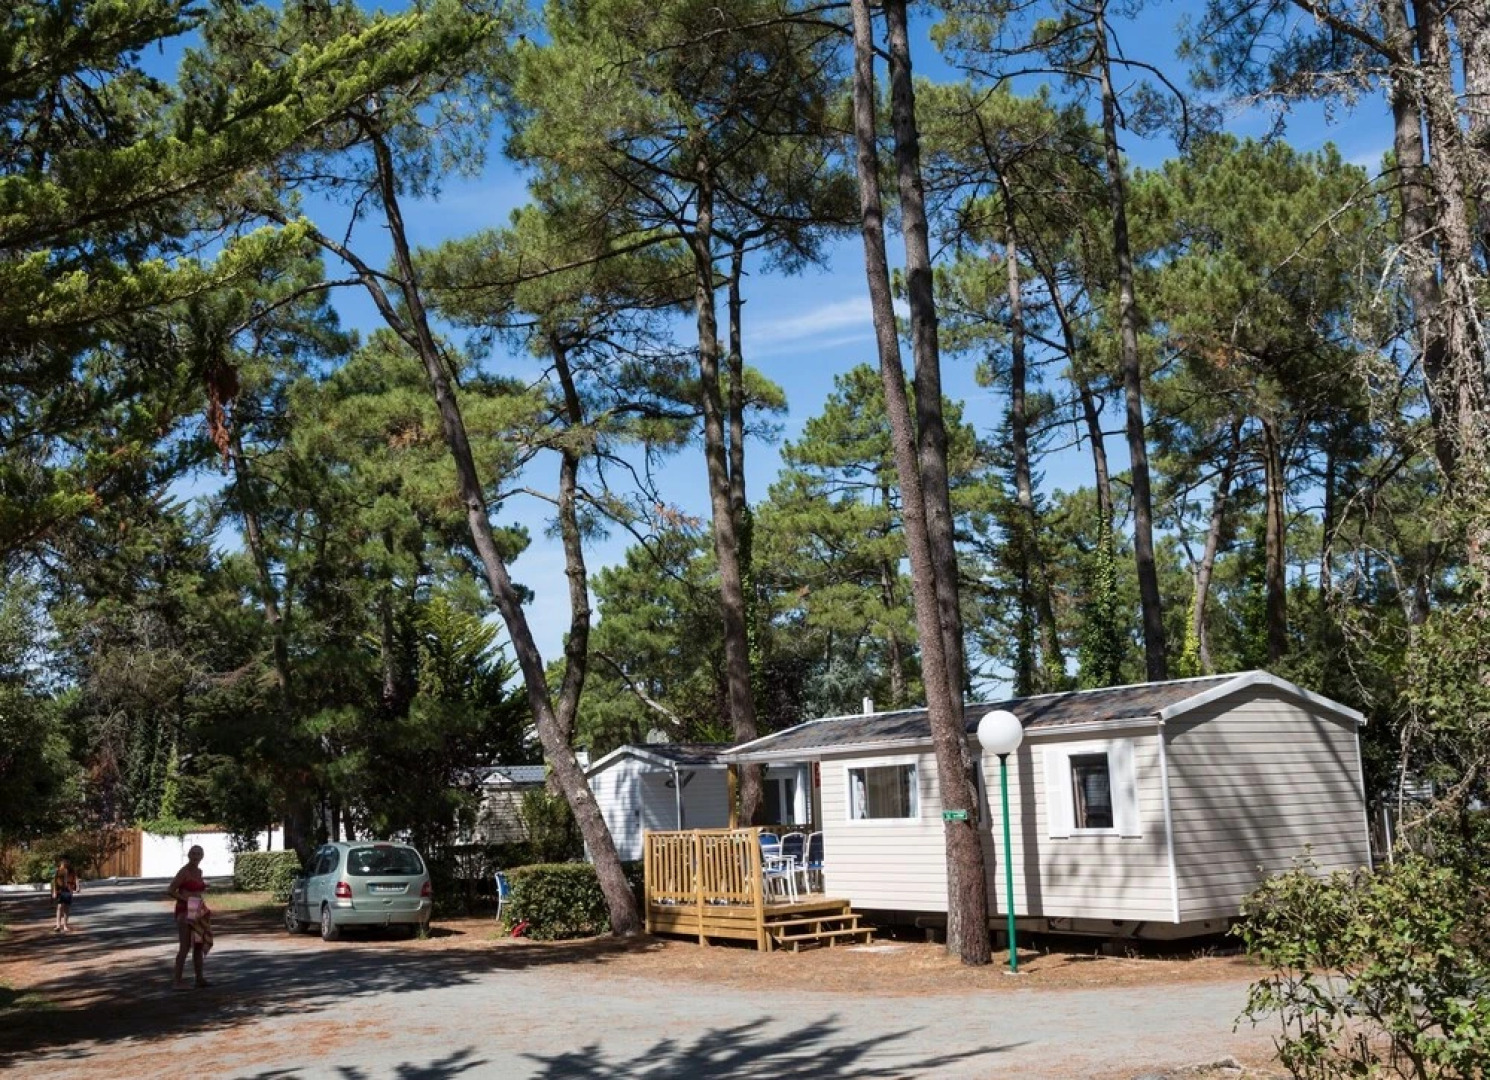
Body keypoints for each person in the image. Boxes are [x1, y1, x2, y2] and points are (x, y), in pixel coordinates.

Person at [167, 844, 212, 990]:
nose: (196, 856)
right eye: (193, 853)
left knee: (198, 945)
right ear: (189, 855)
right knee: (185, 947)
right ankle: (177, 981)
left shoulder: (199, 872)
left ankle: (199, 978)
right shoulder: (184, 872)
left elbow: (197, 889)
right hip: (185, 909)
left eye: (199, 854)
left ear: (202, 856)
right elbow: (170, 890)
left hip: (197, 909)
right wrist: (185, 900)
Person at [51, 858, 80, 932]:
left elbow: (76, 878)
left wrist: (78, 887)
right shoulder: (58, 870)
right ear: (62, 862)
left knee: (66, 907)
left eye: (67, 861)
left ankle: (65, 926)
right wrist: (54, 891)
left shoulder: (72, 870)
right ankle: (58, 925)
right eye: (64, 861)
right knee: (59, 907)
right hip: (60, 890)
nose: (66, 863)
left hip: (69, 889)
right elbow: (54, 881)